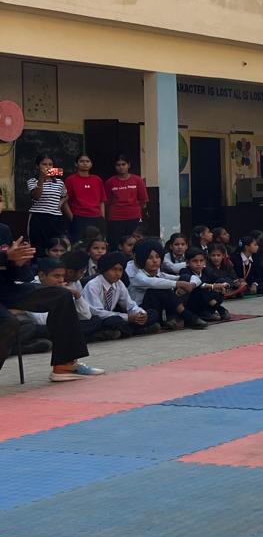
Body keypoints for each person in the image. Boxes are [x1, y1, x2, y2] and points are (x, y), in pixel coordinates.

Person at [0, 222, 106, 380]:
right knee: (8, 322)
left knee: (61, 295)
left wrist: (17, 263)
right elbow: (4, 257)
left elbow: (14, 275)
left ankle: (64, 365)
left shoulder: (3, 230)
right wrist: (5, 257)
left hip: (5, 289)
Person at [127, 238, 207, 329]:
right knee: (160, 289)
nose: (155, 260)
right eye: (150, 258)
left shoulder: (156, 271)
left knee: (185, 277)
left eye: (157, 257)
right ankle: (186, 316)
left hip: (156, 307)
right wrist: (179, 284)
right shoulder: (133, 272)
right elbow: (152, 282)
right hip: (138, 308)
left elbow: (196, 278)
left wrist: (191, 284)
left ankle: (174, 317)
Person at [83, 250, 157, 336]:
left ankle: (127, 330)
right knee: (113, 321)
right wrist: (127, 317)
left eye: (120, 270)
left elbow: (130, 305)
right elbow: (97, 312)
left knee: (152, 313)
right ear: (105, 269)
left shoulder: (119, 284)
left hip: (115, 317)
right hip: (98, 318)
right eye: (114, 269)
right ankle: (133, 330)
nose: (117, 273)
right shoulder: (93, 285)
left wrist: (141, 314)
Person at [26, 154, 69, 255]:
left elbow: (65, 195)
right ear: (38, 166)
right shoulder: (32, 181)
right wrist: (41, 179)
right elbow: (36, 196)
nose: (48, 167)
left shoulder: (59, 182)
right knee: (38, 247)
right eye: (44, 164)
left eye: (50, 164)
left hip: (55, 218)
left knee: (56, 245)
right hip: (39, 218)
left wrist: (60, 203)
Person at [178, 246, 231, 323]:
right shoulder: (184, 271)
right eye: (195, 261)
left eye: (201, 261)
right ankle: (219, 309)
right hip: (191, 303)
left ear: (205, 262)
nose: (199, 264)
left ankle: (208, 312)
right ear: (187, 262)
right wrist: (212, 286)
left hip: (206, 302)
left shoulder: (206, 271)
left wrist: (224, 285)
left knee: (219, 286)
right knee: (200, 288)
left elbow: (219, 278)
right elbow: (198, 284)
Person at [105, 157, 147, 250]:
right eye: (118, 165)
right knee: (116, 243)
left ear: (128, 165)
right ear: (115, 167)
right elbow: (107, 202)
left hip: (134, 216)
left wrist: (134, 209)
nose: (121, 167)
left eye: (123, 164)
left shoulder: (137, 180)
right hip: (116, 217)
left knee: (135, 243)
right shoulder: (110, 182)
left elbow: (143, 199)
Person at [66, 154, 108, 241]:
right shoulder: (70, 180)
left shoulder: (97, 180)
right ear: (76, 164)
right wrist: (72, 218)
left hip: (97, 218)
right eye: (81, 161)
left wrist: (102, 217)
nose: (85, 163)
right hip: (79, 217)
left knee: (97, 243)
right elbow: (64, 201)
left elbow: (102, 200)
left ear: (91, 164)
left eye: (87, 161)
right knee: (79, 244)